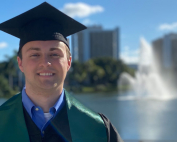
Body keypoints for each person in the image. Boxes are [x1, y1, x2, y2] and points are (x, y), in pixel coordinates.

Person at [0, 2, 124, 142]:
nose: (45, 63)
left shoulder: (99, 128)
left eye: (55, 54)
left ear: (68, 62)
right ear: (20, 63)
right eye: (35, 55)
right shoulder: (2, 122)